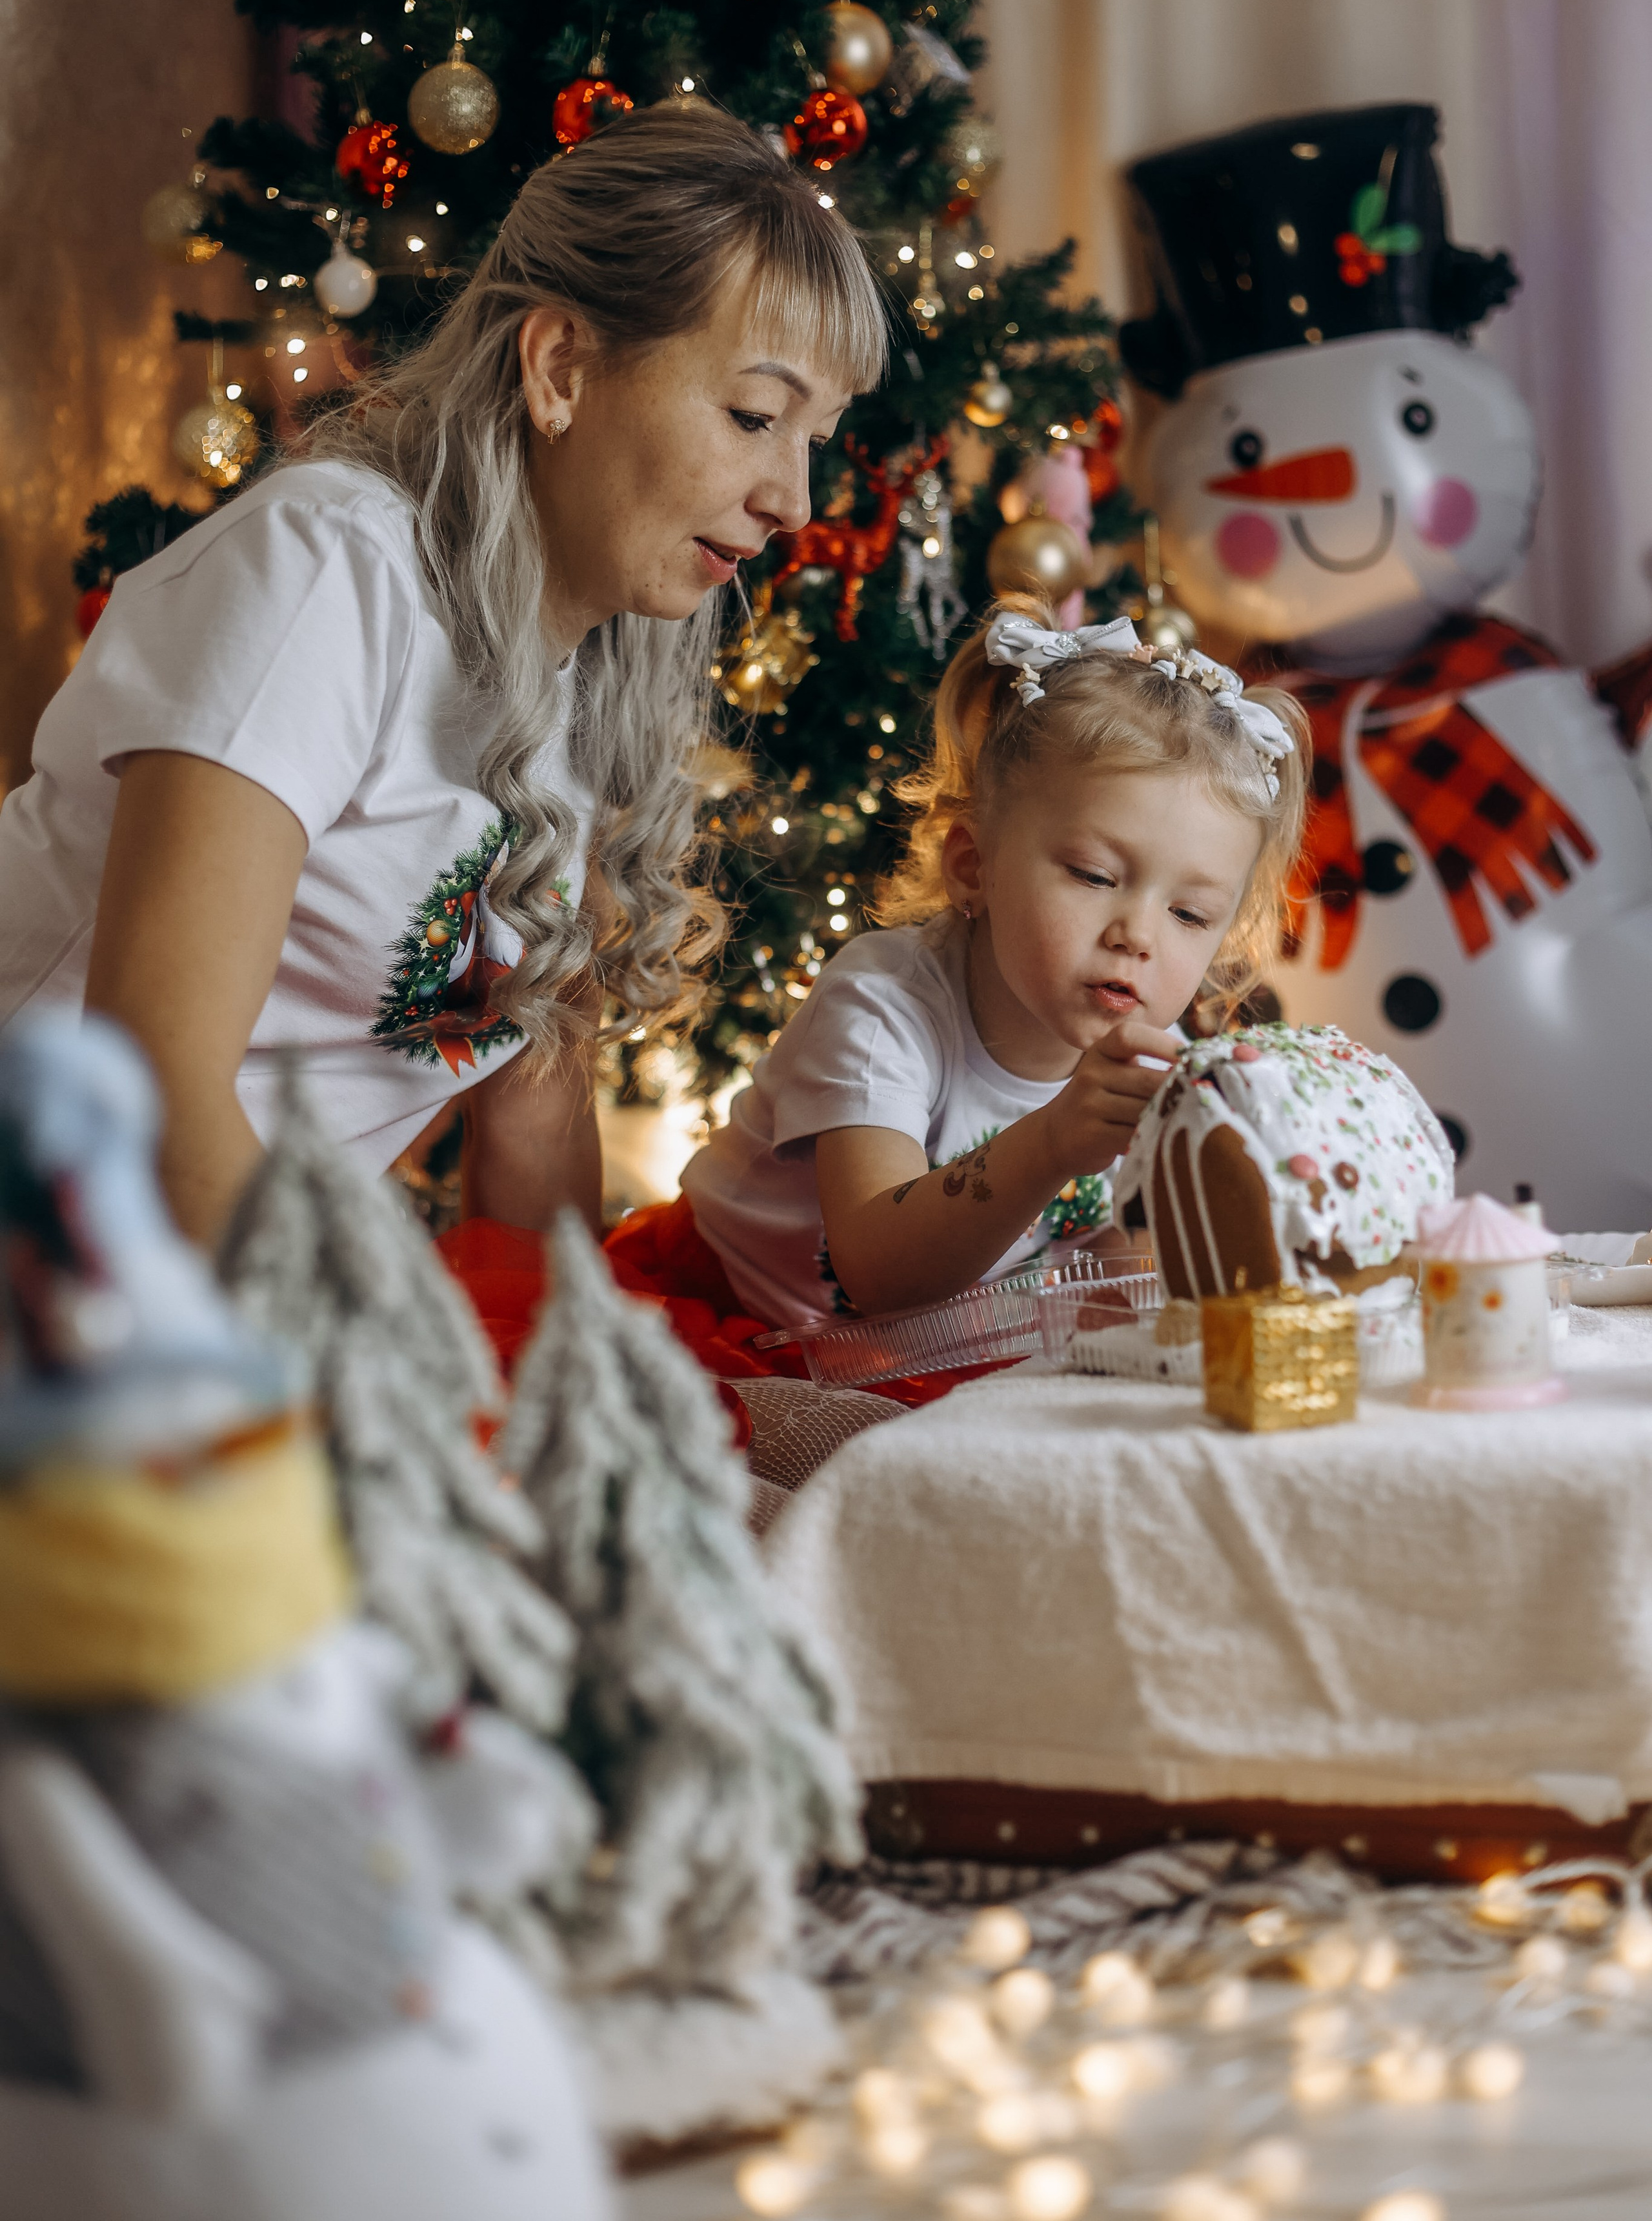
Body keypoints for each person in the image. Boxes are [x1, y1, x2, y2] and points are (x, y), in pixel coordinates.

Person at [0, 103, 885, 1250]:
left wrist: (577, 1380)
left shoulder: (590, 676)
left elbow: (530, 1131)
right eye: (755, 415)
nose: (794, 501)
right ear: (561, 366)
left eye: (815, 438)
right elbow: (151, 1087)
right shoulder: (327, 576)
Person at [607, 597, 1309, 1397]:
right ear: (974, 867)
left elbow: (1117, 1257)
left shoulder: (1148, 1044)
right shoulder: (882, 1007)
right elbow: (876, 1274)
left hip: (953, 1347)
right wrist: (1052, 1144)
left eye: (1189, 914)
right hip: (744, 1330)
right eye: (1093, 876)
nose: (1139, 936)